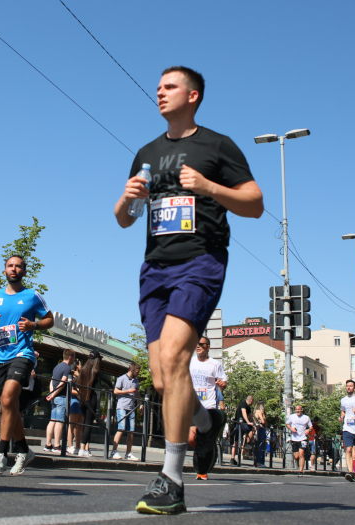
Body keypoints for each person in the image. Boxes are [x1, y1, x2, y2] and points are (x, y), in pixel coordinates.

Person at [114, 65, 262, 514]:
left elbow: (254, 204)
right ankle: (205, 419)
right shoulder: (146, 150)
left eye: (169, 86)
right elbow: (124, 219)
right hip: (155, 267)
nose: (159, 92)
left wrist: (209, 187)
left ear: (193, 95)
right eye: (158, 87)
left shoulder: (217, 145)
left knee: (178, 358)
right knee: (163, 378)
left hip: (201, 260)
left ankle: (171, 479)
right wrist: (127, 198)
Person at [0, 255, 53, 475]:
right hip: (0, 357)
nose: (14, 269)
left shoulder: (32, 296)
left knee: (9, 398)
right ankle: (24, 450)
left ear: (23, 271)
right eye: (10, 266)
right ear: (4, 271)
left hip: (23, 354)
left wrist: (34, 324)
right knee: (8, 405)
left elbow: (50, 320)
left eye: (18, 266)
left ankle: (1, 455)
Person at [188, 336, 226, 480]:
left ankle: (201, 469)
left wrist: (222, 385)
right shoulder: (189, 361)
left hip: (208, 406)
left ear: (208, 347)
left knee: (202, 438)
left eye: (201, 344)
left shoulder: (214, 364)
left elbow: (223, 382)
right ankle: (209, 447)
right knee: (192, 440)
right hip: (192, 405)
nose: (198, 346)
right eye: (195, 344)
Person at [45, 349, 75, 453]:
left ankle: (48, 444)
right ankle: (57, 445)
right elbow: (62, 383)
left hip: (54, 396)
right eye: (74, 357)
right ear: (70, 357)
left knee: (52, 420)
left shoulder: (57, 367)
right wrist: (54, 394)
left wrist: (51, 393)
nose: (74, 360)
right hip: (61, 397)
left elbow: (52, 381)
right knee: (59, 421)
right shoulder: (67, 368)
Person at [75, 351, 103, 458]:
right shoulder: (96, 370)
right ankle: (83, 448)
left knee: (85, 423)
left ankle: (85, 448)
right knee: (88, 423)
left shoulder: (83, 371)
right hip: (91, 398)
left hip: (82, 399)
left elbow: (76, 383)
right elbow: (109, 382)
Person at [112, 362, 141, 461]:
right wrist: (128, 391)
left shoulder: (136, 380)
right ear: (131, 370)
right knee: (121, 428)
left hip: (131, 408)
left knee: (131, 431)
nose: (138, 373)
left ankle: (128, 453)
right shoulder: (121, 379)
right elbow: (115, 391)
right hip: (122, 407)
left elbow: (137, 393)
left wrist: (140, 404)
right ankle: (114, 451)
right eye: (137, 372)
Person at [285, 404, 312, 477]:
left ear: (302, 410)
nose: (298, 411)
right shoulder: (292, 416)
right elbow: (287, 424)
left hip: (303, 438)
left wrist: (308, 430)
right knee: (296, 456)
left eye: (299, 409)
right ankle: (299, 462)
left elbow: (311, 426)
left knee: (301, 454)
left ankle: (301, 471)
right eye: (296, 409)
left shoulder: (306, 417)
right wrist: (291, 429)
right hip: (294, 438)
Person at [230, 395, 255, 466]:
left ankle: (247, 442)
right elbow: (244, 413)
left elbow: (251, 416)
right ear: (251, 401)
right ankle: (248, 442)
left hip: (243, 425)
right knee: (236, 442)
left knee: (238, 442)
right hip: (239, 425)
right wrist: (248, 422)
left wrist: (256, 424)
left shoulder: (248, 407)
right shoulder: (243, 404)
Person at [252, 402, 268, 468]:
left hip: (262, 429)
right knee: (260, 445)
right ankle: (258, 462)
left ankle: (260, 462)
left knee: (262, 446)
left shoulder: (262, 413)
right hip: (259, 430)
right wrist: (263, 419)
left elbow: (266, 424)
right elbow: (263, 421)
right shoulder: (258, 411)